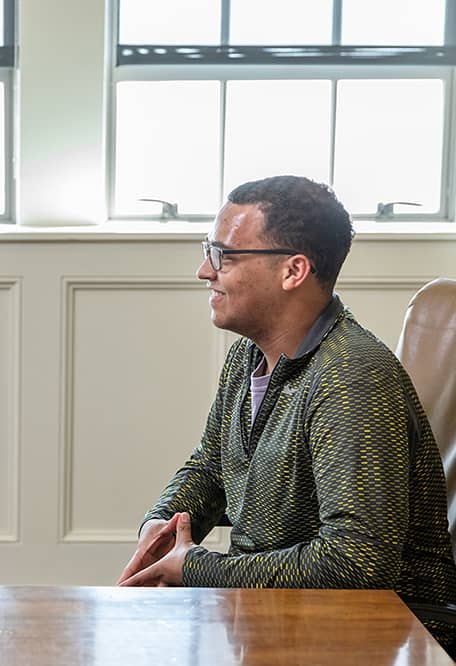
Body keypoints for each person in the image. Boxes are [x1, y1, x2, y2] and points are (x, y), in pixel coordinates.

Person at [116, 176, 456, 646]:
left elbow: (355, 562)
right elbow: (212, 468)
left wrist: (194, 566)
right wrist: (165, 521)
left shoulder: (351, 375)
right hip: (278, 618)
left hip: (383, 635)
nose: (204, 270)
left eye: (224, 255)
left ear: (293, 271)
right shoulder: (246, 357)